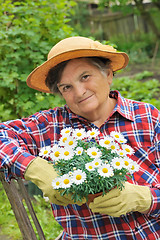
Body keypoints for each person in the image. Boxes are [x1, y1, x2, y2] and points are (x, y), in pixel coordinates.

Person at [0, 36, 160, 239]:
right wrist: (35, 167)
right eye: (66, 87)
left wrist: (144, 198)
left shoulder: (147, 117)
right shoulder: (51, 126)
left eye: (85, 77)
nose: (79, 91)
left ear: (109, 74)